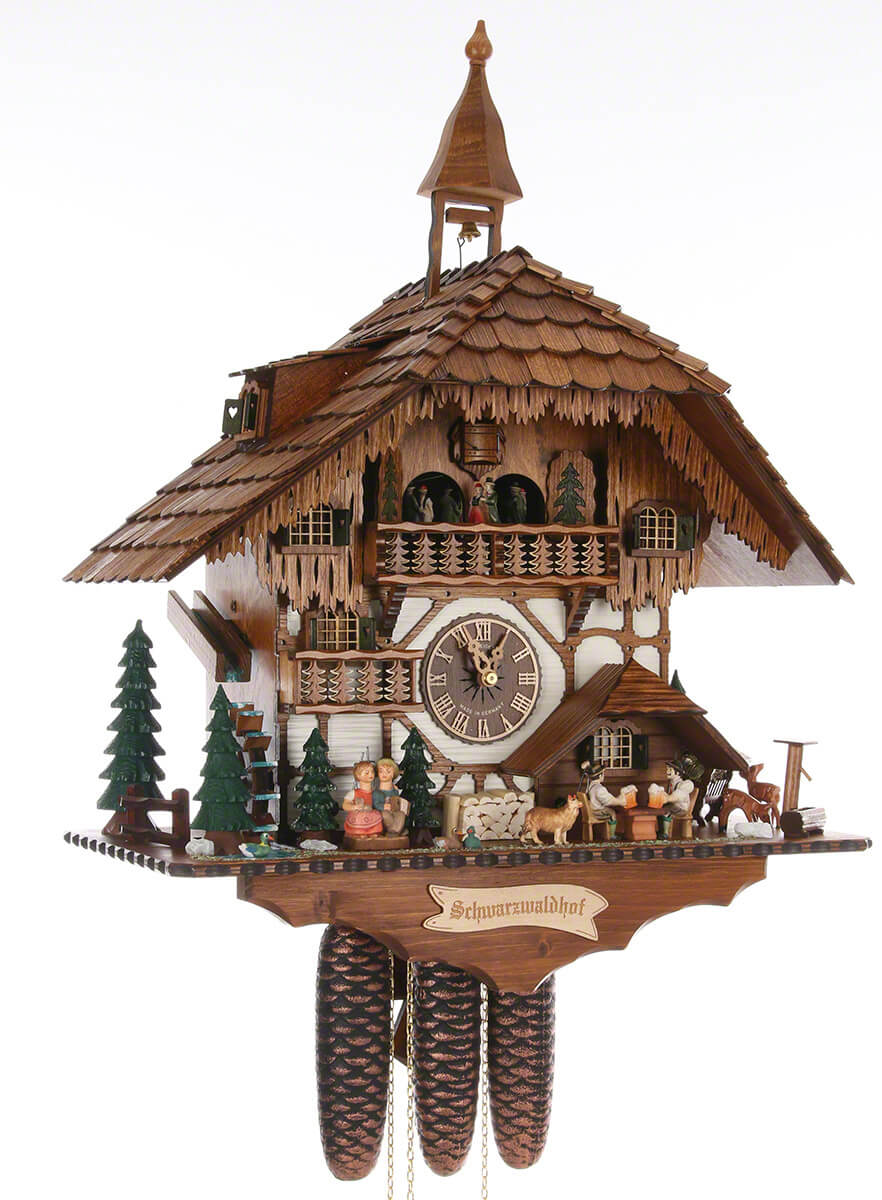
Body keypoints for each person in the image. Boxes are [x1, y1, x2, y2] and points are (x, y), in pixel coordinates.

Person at [373, 757, 409, 835]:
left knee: (401, 814)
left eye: (388, 771)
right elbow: (375, 804)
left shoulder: (394, 790)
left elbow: (396, 801)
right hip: (384, 814)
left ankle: (394, 831)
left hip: (393, 812)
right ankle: (394, 831)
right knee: (385, 814)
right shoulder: (376, 792)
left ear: (393, 774)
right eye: (381, 771)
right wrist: (383, 806)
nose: (384, 774)